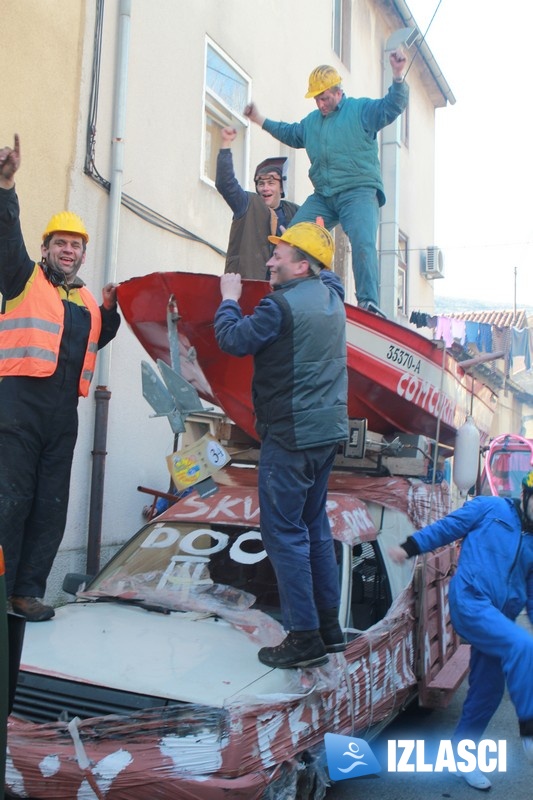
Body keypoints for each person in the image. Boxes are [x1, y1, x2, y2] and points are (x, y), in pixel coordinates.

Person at [214, 221, 348, 669]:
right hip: (326, 435)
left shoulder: (278, 307)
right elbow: (331, 272)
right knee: (314, 530)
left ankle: (303, 636)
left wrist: (228, 300)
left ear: (303, 265)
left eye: (280, 254)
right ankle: (329, 630)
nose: (270, 261)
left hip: (289, 436)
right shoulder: (332, 295)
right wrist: (314, 231)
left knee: (284, 535)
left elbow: (232, 340)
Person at [0, 134, 121, 622]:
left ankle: (26, 593)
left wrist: (111, 310)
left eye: (75, 245)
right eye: (60, 243)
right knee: (9, 502)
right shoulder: (22, 278)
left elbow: (94, 342)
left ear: (82, 254)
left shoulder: (89, 303)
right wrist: (7, 184)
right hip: (17, 409)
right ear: (46, 248)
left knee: (50, 508)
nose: (68, 251)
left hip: (61, 417)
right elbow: (7, 237)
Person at [389, 473, 533, 790]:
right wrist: (409, 547)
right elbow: (448, 527)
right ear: (526, 494)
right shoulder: (490, 508)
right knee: (523, 647)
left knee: (488, 690)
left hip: (500, 617)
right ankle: (529, 726)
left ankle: (461, 759)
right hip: (470, 602)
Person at [244, 52, 408, 310]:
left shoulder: (360, 110)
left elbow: (392, 106)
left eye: (325, 97)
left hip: (358, 190)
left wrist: (397, 76)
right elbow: (289, 132)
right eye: (317, 99)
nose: (320, 104)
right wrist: (259, 119)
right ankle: (292, 290)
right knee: (292, 237)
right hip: (324, 196)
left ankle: (368, 302)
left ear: (338, 92)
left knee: (363, 241)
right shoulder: (312, 123)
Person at [215, 126, 299, 279]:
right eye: (261, 183)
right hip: (247, 287)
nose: (265, 188)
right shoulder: (246, 204)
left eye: (271, 182)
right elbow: (225, 183)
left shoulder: (296, 213)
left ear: (281, 187)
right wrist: (226, 144)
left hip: (283, 291)